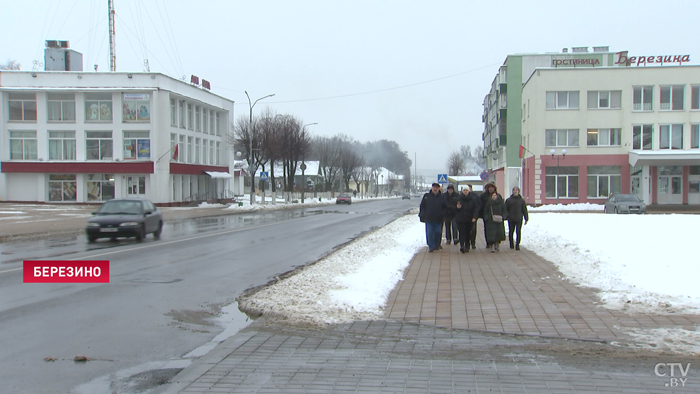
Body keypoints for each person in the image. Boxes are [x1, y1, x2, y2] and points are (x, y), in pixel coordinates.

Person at [418, 183, 447, 253]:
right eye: (434, 187)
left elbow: (445, 207)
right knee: (429, 233)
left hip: (438, 219)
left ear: (438, 189)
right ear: (432, 188)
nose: (435, 189)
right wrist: (423, 214)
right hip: (429, 218)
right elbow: (422, 206)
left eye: (436, 187)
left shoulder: (442, 197)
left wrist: (443, 214)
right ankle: (431, 246)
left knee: (438, 232)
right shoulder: (427, 196)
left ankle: (436, 244)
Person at [454, 187, 479, 254]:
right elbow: (454, 209)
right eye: (464, 190)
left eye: (466, 190)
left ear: (469, 191)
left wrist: (474, 217)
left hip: (469, 219)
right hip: (460, 219)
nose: (465, 191)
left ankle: (467, 246)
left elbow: (476, 209)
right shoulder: (458, 199)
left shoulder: (473, 199)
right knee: (462, 232)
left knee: (468, 233)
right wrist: (457, 208)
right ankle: (462, 246)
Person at [505, 186, 529, 250]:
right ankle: (511, 244)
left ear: (518, 191)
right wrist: (506, 216)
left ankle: (517, 244)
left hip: (519, 218)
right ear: (512, 191)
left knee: (518, 231)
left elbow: (524, 209)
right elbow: (505, 209)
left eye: (516, 190)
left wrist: (526, 218)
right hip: (511, 218)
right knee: (511, 232)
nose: (515, 191)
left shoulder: (521, 200)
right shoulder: (509, 200)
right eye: (514, 190)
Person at [479, 182, 500, 247]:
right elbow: (480, 205)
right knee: (487, 229)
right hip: (486, 215)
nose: (490, 189)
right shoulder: (483, 196)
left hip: (496, 215)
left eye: (492, 187)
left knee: (496, 229)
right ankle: (488, 242)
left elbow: (501, 205)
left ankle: (496, 241)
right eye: (489, 187)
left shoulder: (498, 196)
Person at [468, 184, 480, 249]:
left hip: (473, 216)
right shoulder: (461, 196)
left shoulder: (475, 196)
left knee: (473, 229)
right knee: (466, 230)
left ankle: (473, 242)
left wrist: (476, 214)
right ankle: (467, 242)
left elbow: (479, 204)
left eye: (469, 188)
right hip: (465, 216)